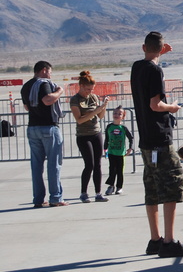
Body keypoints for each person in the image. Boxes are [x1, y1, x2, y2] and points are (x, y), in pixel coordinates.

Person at [131, 31, 183, 258]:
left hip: (146, 139)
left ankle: (155, 239)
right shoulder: (155, 70)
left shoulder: (137, 67)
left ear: (143, 47)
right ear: (161, 48)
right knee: (172, 185)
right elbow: (156, 104)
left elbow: (149, 60)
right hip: (159, 138)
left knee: (152, 188)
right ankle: (168, 241)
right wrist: (172, 107)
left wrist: (158, 52)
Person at [21, 61, 68, 208]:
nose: (50, 75)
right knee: (53, 164)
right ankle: (55, 197)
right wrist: (60, 91)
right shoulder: (43, 84)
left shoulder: (26, 86)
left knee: (36, 166)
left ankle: (38, 198)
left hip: (33, 128)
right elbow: (48, 100)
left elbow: (27, 107)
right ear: (44, 71)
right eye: (50, 72)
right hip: (48, 128)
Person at [70, 71, 110, 203]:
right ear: (80, 86)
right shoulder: (75, 100)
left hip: (96, 132)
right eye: (87, 89)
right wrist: (95, 111)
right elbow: (79, 120)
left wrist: (103, 107)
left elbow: (100, 116)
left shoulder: (93, 97)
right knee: (89, 164)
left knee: (98, 164)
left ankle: (98, 192)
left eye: (91, 89)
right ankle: (83, 192)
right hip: (83, 135)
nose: (89, 92)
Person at [104, 106, 134, 195]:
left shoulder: (123, 128)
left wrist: (130, 148)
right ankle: (111, 186)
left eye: (119, 114)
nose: (116, 115)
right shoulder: (109, 127)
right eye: (115, 113)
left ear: (123, 116)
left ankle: (119, 187)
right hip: (111, 152)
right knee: (112, 169)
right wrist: (105, 148)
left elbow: (131, 138)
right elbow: (107, 139)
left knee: (120, 170)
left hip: (120, 153)